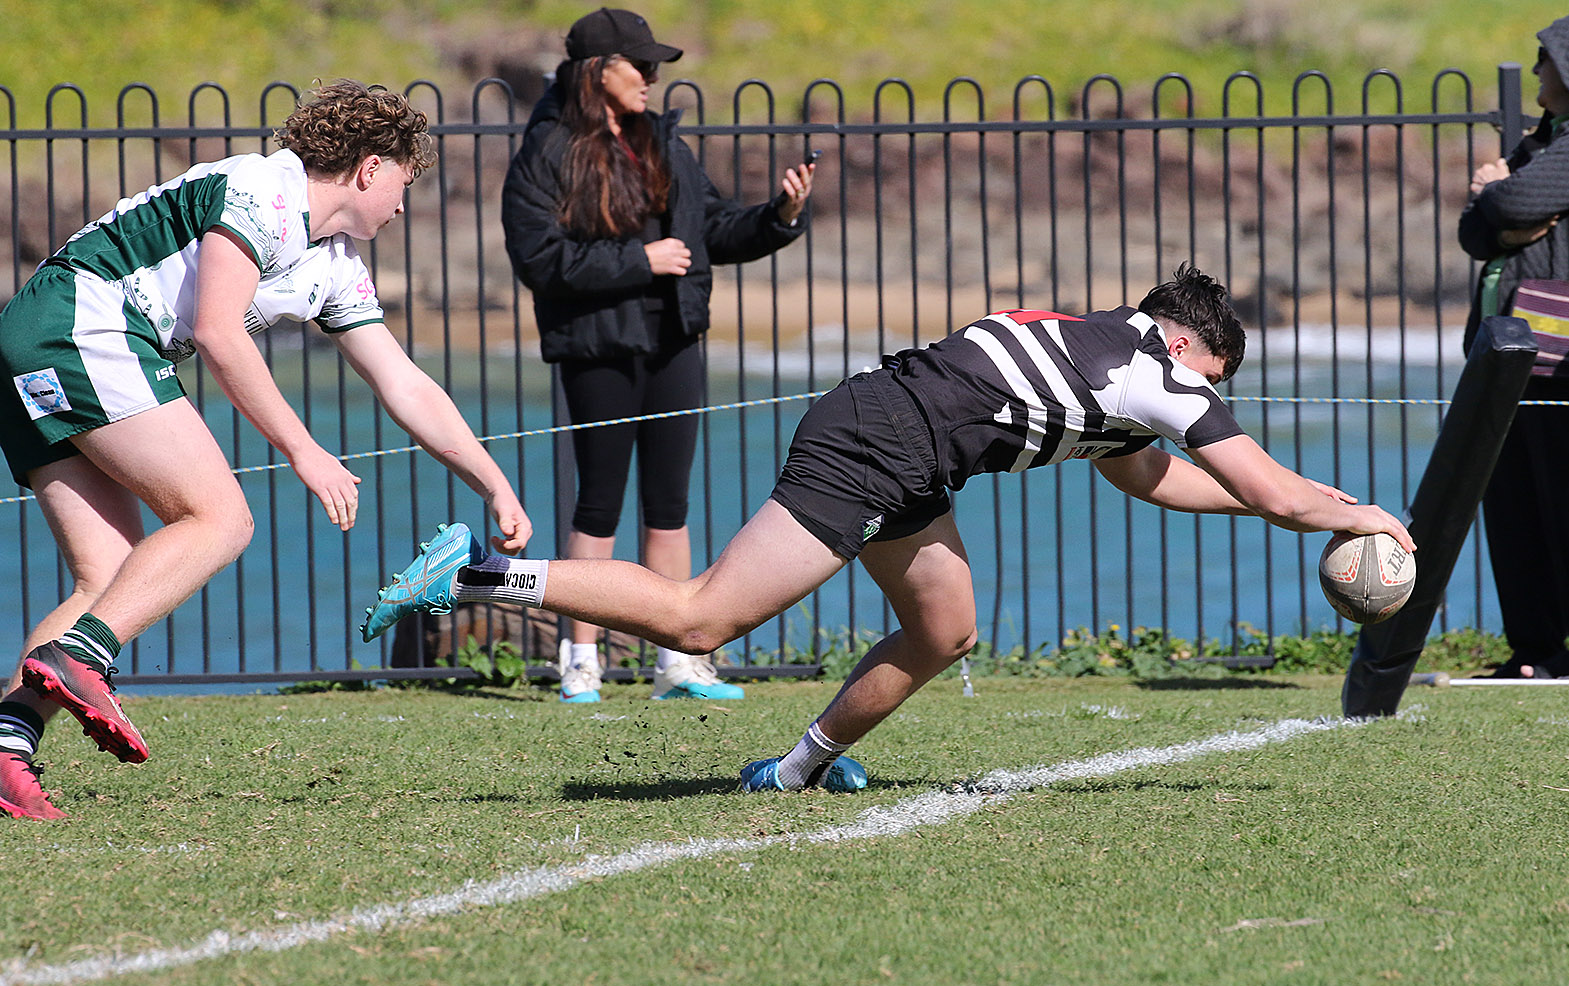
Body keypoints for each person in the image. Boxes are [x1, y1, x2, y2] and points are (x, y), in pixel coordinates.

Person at [363, 264, 1415, 793]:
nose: (1210, 403)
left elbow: (1154, 485)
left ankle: (796, 772)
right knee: (698, 623)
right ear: (1189, 344)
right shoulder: (1158, 376)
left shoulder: (1120, 365)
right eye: (1214, 381)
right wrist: (1355, 511)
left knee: (944, 630)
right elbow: (1272, 490)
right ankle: (478, 576)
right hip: (879, 444)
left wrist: (1293, 510)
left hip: (906, 448)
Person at [0, 80, 532, 820]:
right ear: (371, 168)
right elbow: (218, 330)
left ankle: (6, 747)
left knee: (113, 581)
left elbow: (403, 380)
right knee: (221, 520)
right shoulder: (262, 190)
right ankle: (80, 658)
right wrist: (305, 450)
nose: (404, 207)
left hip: (38, 337)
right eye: (403, 185)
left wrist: (492, 481)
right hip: (78, 321)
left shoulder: (336, 264)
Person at [501, 7, 814, 703]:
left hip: (674, 339)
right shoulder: (547, 147)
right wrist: (638, 260)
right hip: (597, 346)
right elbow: (538, 257)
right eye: (638, 66)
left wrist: (779, 218)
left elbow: (714, 230)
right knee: (599, 507)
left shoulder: (661, 141)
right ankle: (580, 659)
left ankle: (678, 658)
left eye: (656, 67)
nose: (651, 77)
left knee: (669, 506)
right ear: (595, 72)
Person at [1459, 11, 1569, 679]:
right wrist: (1501, 206)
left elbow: (1506, 207)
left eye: (1547, 60)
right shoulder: (1541, 143)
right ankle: (1536, 651)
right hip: (1507, 360)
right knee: (1510, 504)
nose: (1539, 71)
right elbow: (1476, 230)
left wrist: (1499, 195)